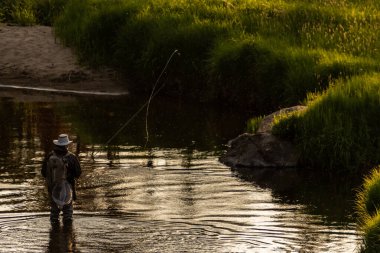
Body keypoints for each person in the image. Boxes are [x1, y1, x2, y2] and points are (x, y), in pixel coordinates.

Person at [41, 134, 81, 224]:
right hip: (67, 189)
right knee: (68, 213)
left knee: (54, 214)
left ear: (57, 144)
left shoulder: (49, 156)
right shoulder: (72, 157)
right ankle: (67, 234)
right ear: (67, 145)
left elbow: (43, 173)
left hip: (52, 188)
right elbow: (78, 173)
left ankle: (54, 234)